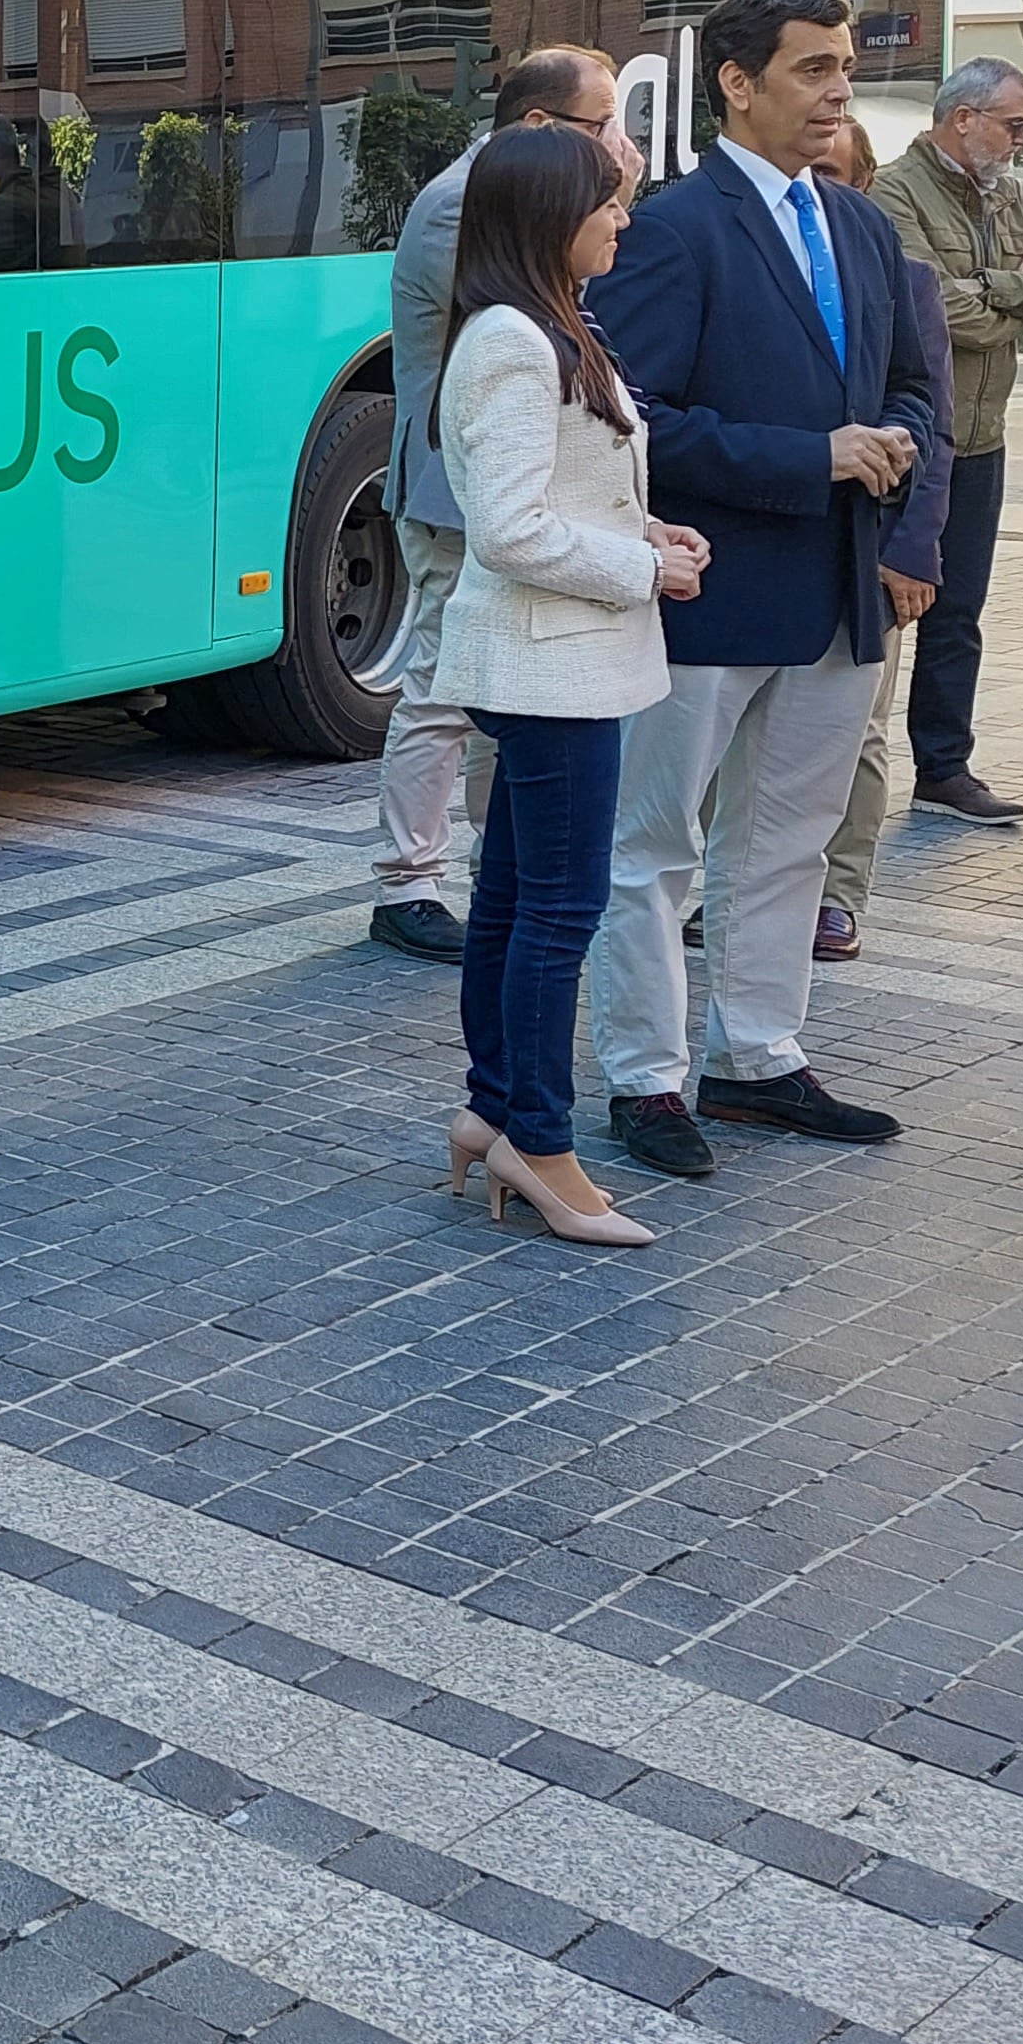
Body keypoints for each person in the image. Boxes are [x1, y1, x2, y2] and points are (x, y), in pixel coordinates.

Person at [583, 0, 944, 1183]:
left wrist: (891, 445)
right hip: (708, 592)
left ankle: (757, 1056)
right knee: (653, 849)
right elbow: (630, 418)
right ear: (737, 85)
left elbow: (910, 384)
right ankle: (645, 1077)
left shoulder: (860, 227)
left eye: (844, 66)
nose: (840, 90)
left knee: (789, 840)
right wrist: (811, 457)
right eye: (813, 68)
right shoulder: (675, 228)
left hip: (835, 593)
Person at [422, 124, 705, 1246]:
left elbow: (565, 492)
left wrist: (647, 531)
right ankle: (538, 1143)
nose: (622, 218)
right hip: (548, 667)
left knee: (512, 899)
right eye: (607, 201)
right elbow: (509, 530)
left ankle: (495, 1112)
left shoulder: (542, 324)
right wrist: (644, 570)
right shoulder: (513, 339)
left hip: (557, 660)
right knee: (557, 912)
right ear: (551, 217)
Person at [367, 46, 639, 963]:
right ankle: (408, 880)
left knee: (499, 694)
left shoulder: (512, 189)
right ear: (537, 125)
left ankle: (496, 870)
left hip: (509, 487)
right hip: (459, 491)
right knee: (441, 689)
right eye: (600, 125)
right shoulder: (464, 202)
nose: (616, 144)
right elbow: (545, 306)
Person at [870, 60, 1023, 823]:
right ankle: (848, 765)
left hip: (983, 438)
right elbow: (928, 309)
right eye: (1014, 125)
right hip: (914, 438)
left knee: (959, 611)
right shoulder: (895, 192)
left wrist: (991, 287)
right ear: (964, 118)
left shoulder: (1009, 196)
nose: (1022, 141)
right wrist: (1010, 300)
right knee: (886, 605)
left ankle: (943, 770)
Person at [816, 191, 957, 956]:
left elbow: (934, 424)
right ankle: (755, 886)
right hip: (780, 538)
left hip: (875, 541)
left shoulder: (907, 278)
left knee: (860, 726)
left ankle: (837, 894)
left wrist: (908, 549)